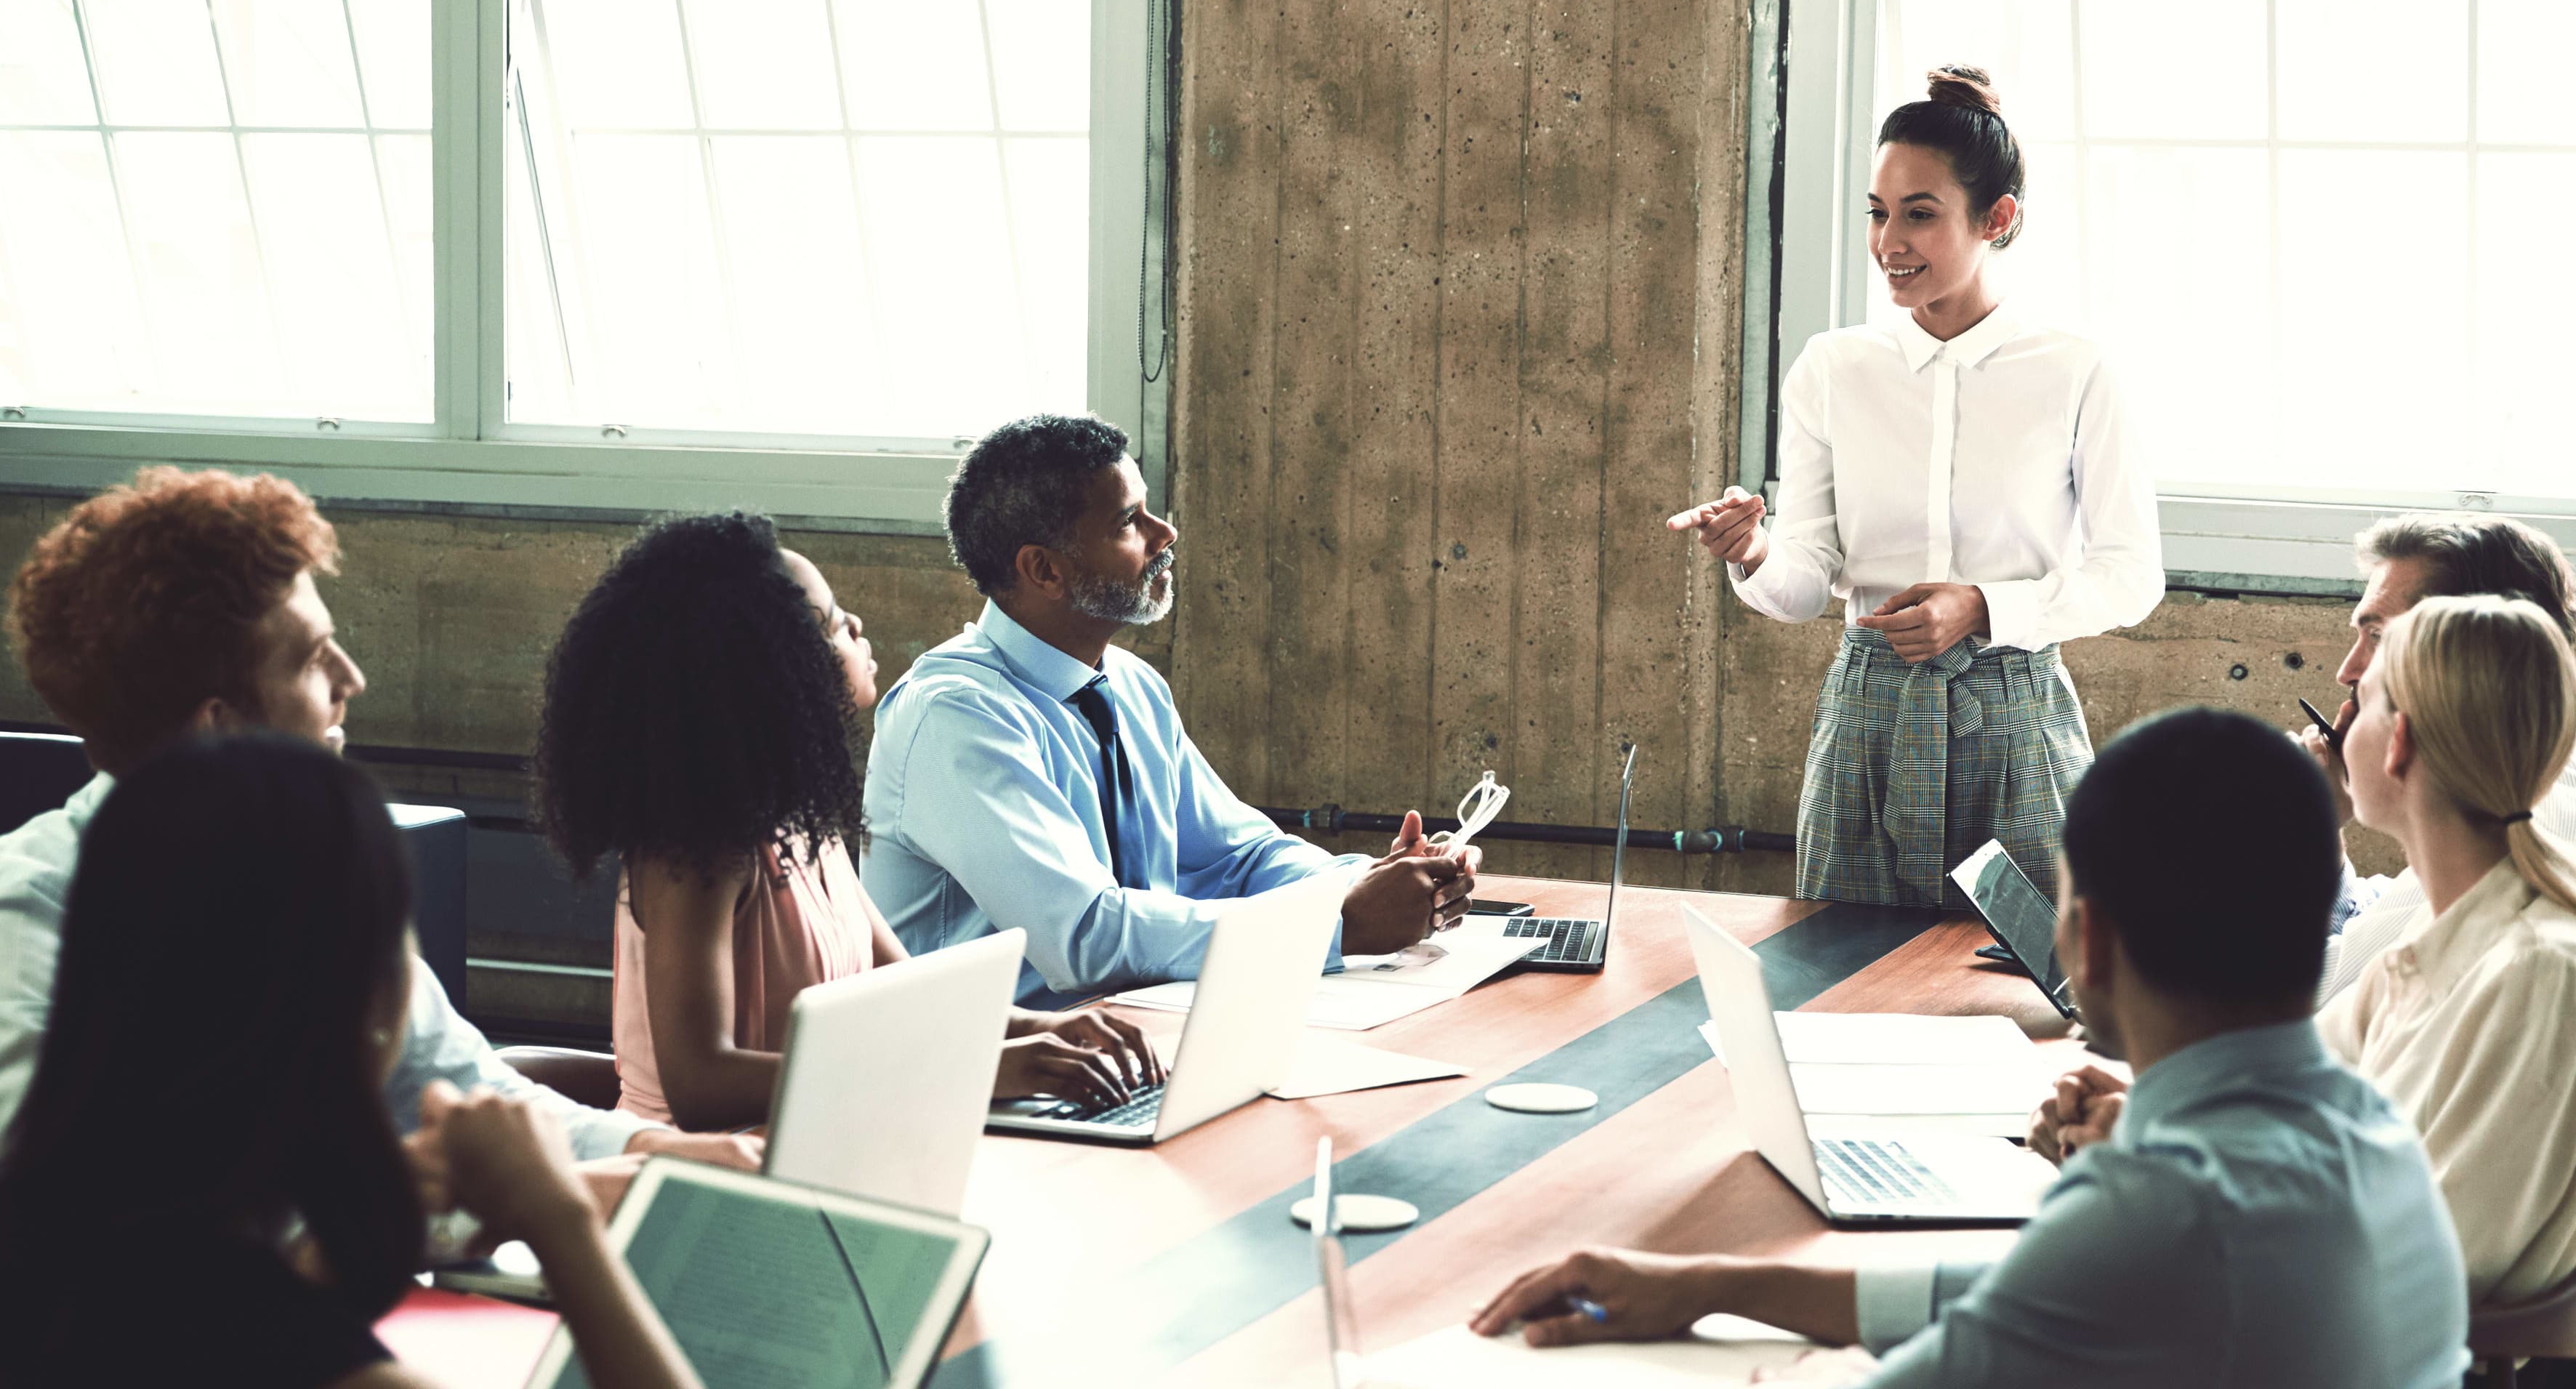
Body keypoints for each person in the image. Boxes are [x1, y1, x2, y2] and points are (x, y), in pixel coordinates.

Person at [1471, 709, 2470, 1389]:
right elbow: (2012, 1302)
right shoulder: (2370, 1130)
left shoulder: (2162, 1210)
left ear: (2091, 943)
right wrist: (1715, 1285)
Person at [2027, 514, 2576, 1239]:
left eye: (2378, 647)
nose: (2346, 679)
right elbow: (2312, 1062)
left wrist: (2158, 1134)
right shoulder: (2519, 820)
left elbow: (2412, 1235)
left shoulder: (2539, 866)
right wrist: (2157, 1121)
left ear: (2443, 684)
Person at [0, 466, 750, 1172]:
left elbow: (467, 1090)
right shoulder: (29, 918)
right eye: (314, 659)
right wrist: (491, 1203)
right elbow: (99, 1207)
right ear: (218, 728)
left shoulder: (311, 874)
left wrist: (665, 1151)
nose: (353, 679)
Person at [0, 733, 704, 1388]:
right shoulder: (280, 1345)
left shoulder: (70, 1255)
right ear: (364, 1001)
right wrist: (563, 1224)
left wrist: (352, 1236)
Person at [1667, 65, 2161, 909]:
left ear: (1996, 219)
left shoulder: (2075, 369)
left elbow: (2130, 575)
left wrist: (1981, 608)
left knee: (2028, 983)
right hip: (1868, 717)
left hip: (2017, 716)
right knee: (1839, 978)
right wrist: (1752, 549)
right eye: (1878, 211)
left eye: (1919, 214)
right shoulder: (1834, 368)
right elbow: (1804, 582)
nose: (1888, 240)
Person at [534, 512, 1159, 1131]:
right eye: (831, 621)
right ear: (769, 665)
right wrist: (983, 1068)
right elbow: (702, 1087)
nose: (855, 625)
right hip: (700, 1178)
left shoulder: (802, 822)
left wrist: (1044, 1030)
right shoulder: (695, 850)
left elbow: (909, 992)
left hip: (818, 1149)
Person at [864, 414, 1480, 1007]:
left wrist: (1372, 881)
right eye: (1129, 521)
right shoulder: (956, 718)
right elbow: (1085, 937)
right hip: (998, 1073)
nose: (1165, 534)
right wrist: (1340, 925)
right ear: (1044, 569)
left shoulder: (1129, 685)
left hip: (1133, 1034)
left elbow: (1238, 857)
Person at [2312, 594, 2576, 1305]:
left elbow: (2434, 1258)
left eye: (2362, 699)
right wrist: (2147, 1122)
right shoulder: (2450, 929)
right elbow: (2295, 1081)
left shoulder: (2542, 975)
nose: (2340, 722)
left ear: (2399, 743)